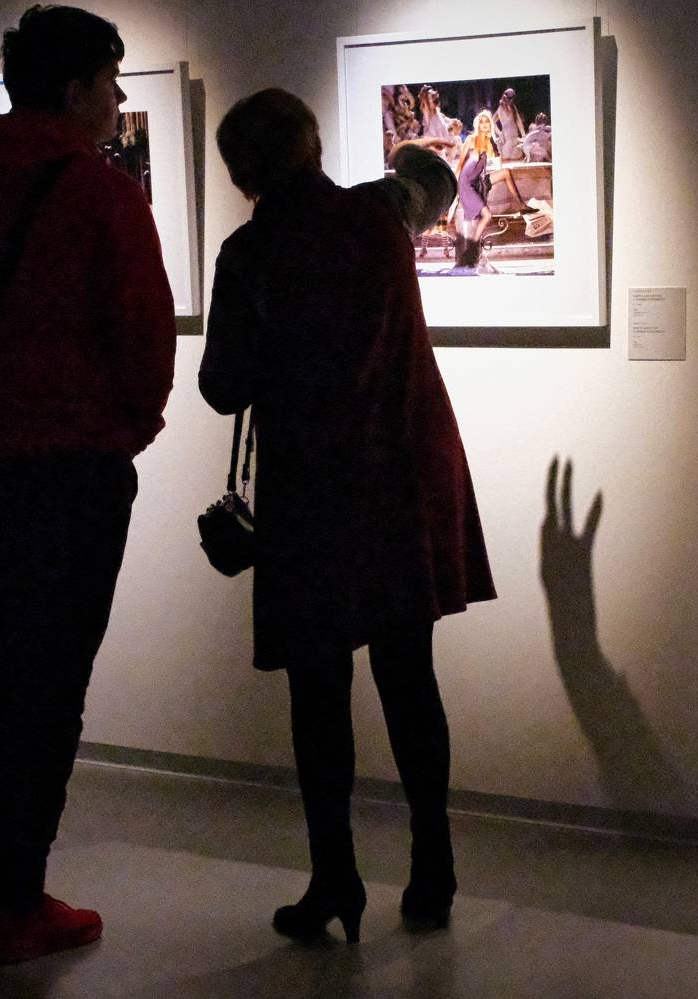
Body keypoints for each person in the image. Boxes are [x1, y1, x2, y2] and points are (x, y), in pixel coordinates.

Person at [0, 4, 176, 966]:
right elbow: (146, 344)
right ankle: (18, 896)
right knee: (53, 684)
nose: (119, 99)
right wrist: (119, 433)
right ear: (75, 87)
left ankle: (11, 875)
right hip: (72, 477)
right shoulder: (102, 195)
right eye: (111, 81)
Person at [201, 89, 495, 944]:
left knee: (319, 692)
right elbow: (426, 185)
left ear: (242, 174)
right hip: (401, 476)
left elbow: (221, 385)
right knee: (410, 677)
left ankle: (335, 878)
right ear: (316, 146)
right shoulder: (378, 216)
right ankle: (433, 867)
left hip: (314, 495)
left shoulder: (249, 253)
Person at [451, 110, 498, 269]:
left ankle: (471, 255)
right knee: (486, 215)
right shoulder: (471, 139)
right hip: (465, 184)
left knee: (481, 218)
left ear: (490, 125)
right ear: (478, 124)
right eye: (482, 121)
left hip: (475, 185)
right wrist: (454, 186)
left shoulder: (489, 143)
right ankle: (470, 254)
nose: (484, 124)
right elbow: (460, 163)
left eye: (487, 122)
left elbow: (496, 165)